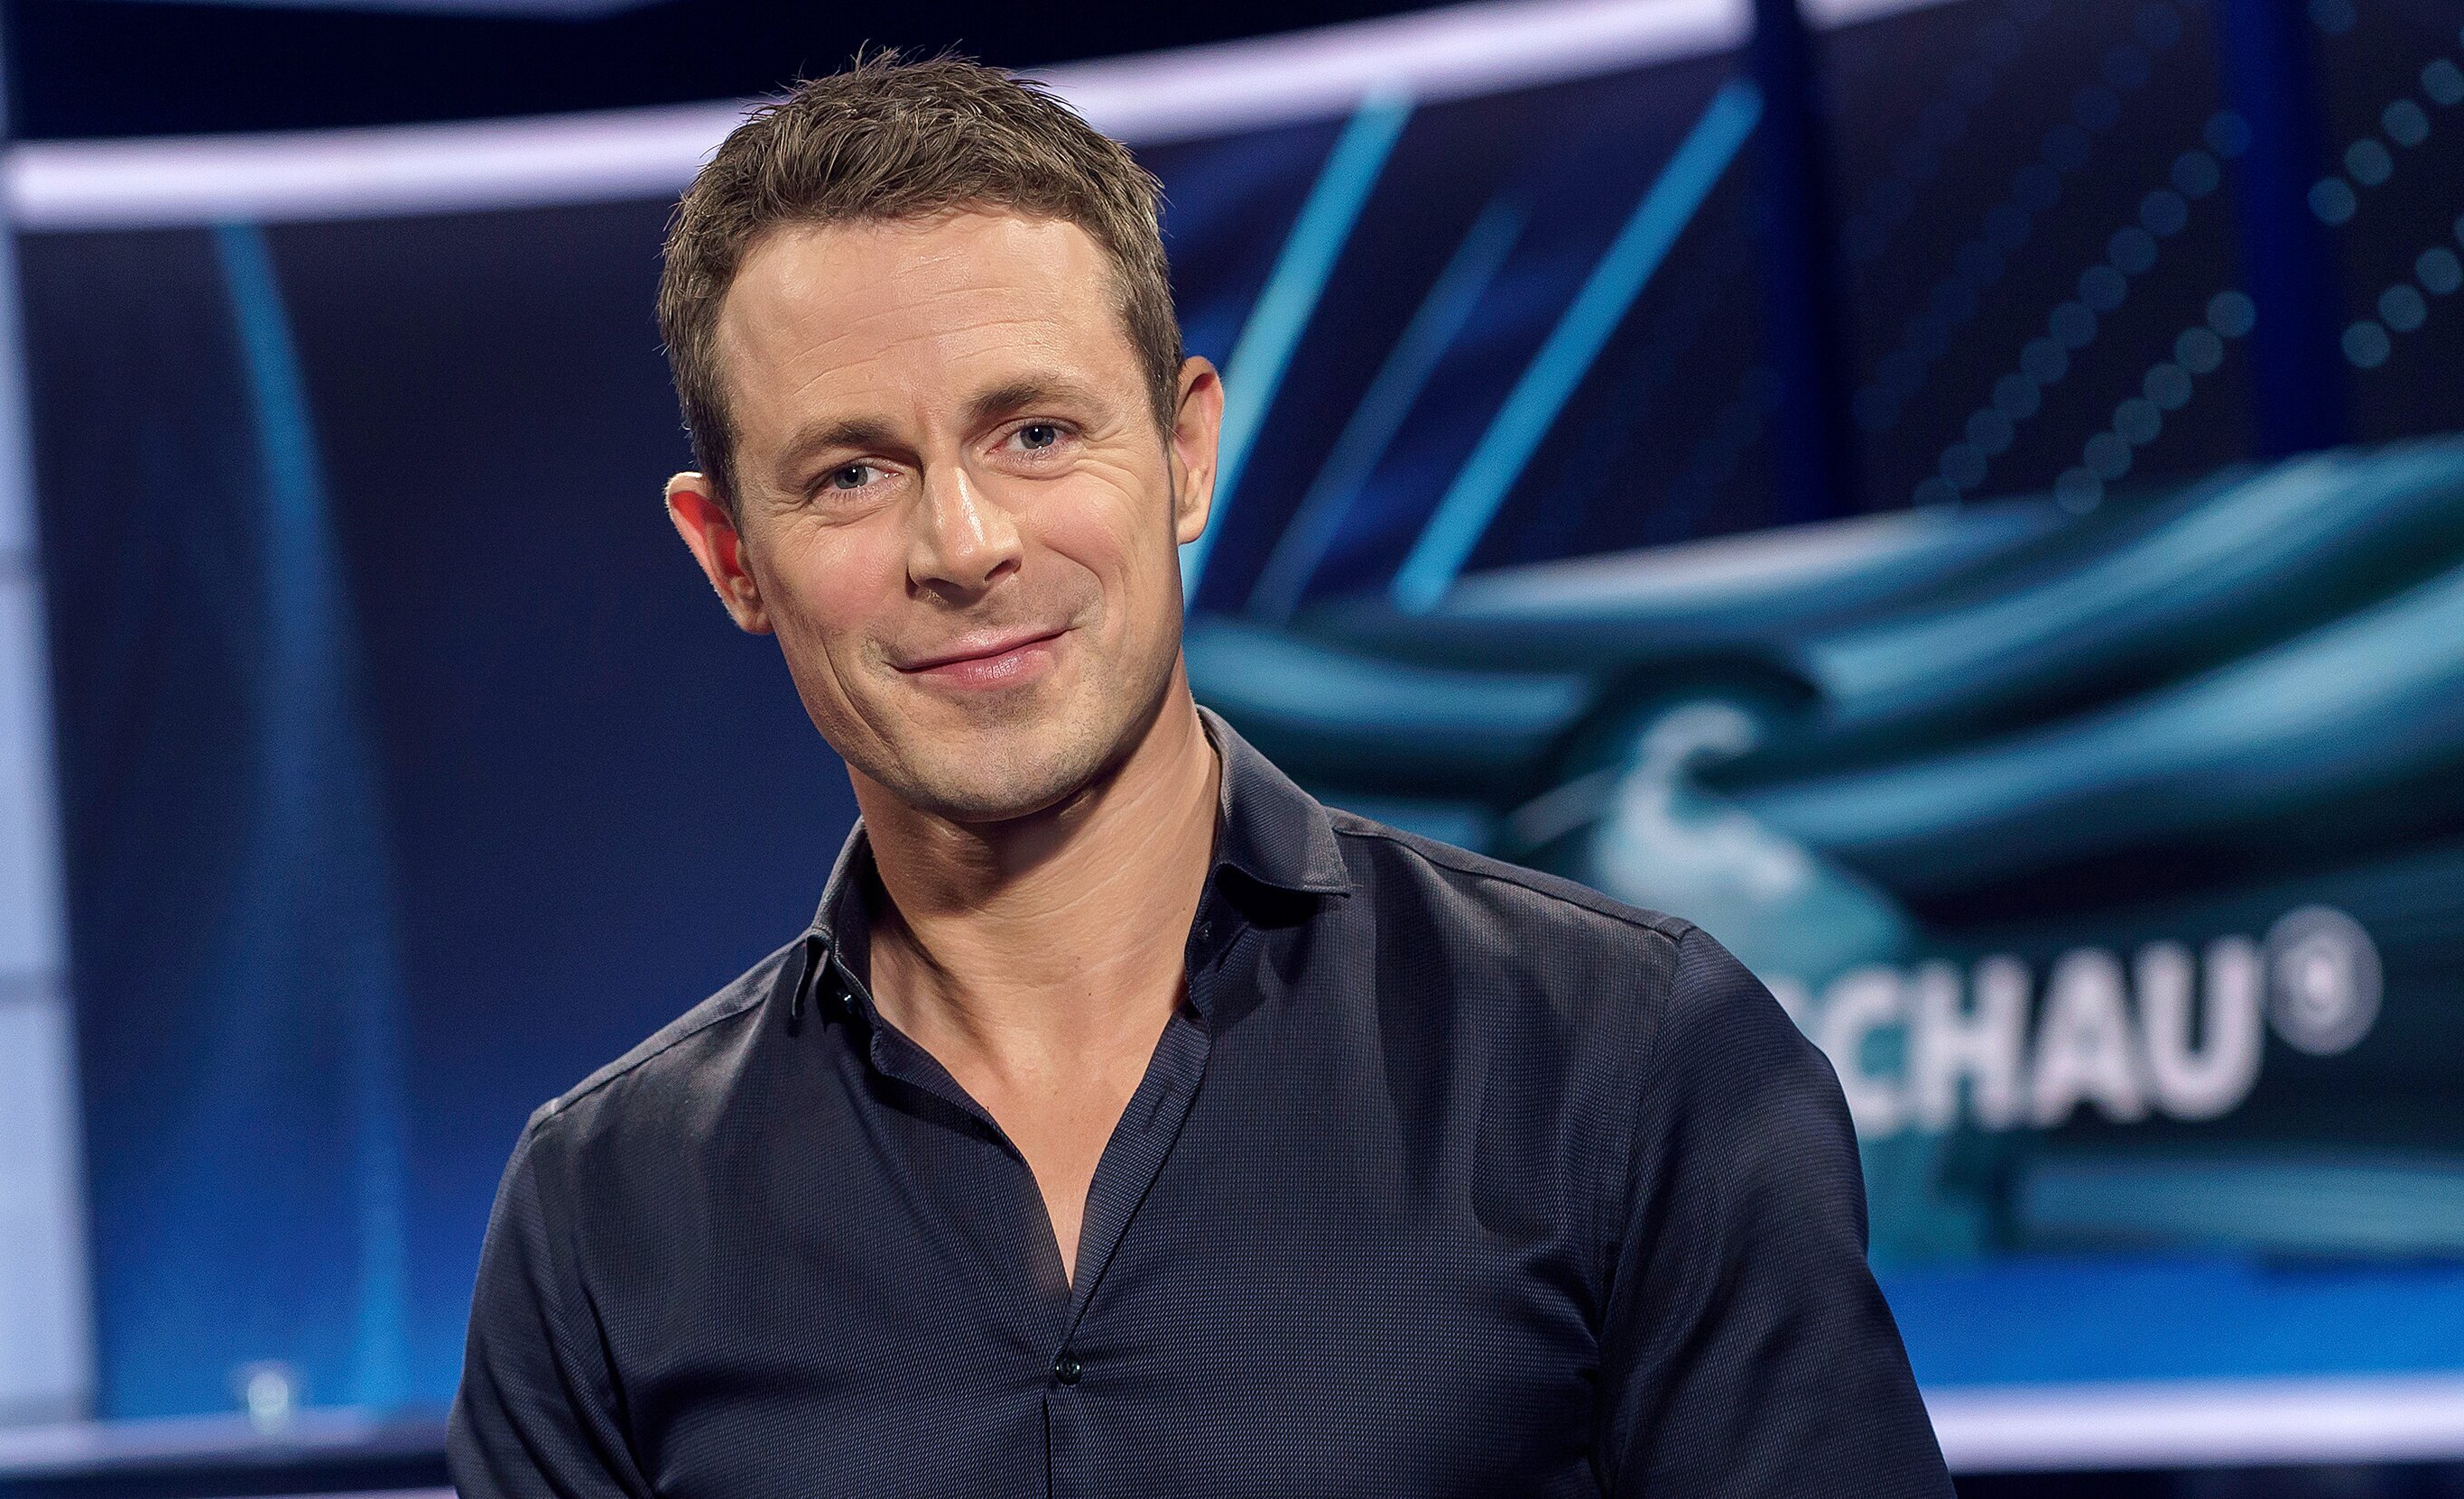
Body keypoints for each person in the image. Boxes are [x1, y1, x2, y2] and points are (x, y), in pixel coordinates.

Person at [450, 53, 1952, 1499]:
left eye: (1035, 432)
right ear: (729, 554)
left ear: (1182, 450)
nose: (963, 545)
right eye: (851, 472)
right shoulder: (603, 1210)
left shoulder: (1623, 1061)